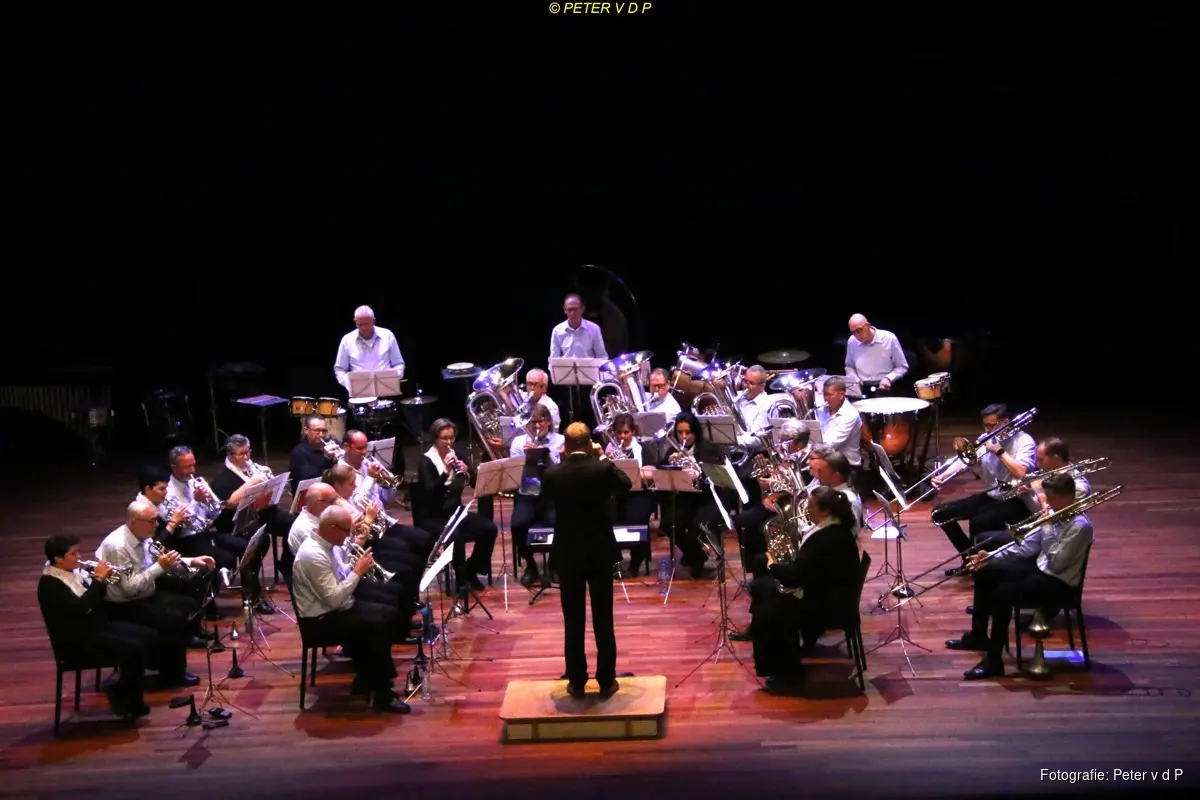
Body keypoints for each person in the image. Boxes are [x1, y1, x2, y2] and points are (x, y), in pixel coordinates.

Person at [946, 473, 1093, 680]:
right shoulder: (1055, 513)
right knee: (986, 571)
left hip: (1059, 583)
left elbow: (1058, 563)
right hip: (1042, 568)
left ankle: (994, 661)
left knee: (1003, 593)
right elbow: (1027, 547)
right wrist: (990, 557)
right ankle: (978, 636)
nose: (1047, 503)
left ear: (1066, 496)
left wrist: (1047, 527)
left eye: (1051, 498)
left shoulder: (1080, 526)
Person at [542, 422, 632, 698]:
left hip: (568, 552)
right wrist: (602, 456)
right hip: (599, 551)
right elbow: (625, 484)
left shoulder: (553, 473)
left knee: (573, 620)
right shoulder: (601, 469)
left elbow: (546, 499)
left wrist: (564, 460)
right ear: (590, 444)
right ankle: (606, 679)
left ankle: (577, 680)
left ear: (566, 446)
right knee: (603, 618)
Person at [292, 505, 410, 713]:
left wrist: (355, 567)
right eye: (346, 530)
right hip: (321, 620)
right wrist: (357, 571)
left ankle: (368, 677)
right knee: (380, 622)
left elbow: (339, 578)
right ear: (331, 528)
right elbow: (334, 600)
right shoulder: (313, 555)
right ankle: (382, 692)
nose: (349, 535)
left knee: (388, 613)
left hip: (335, 608)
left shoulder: (327, 545)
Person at [747, 486, 862, 692]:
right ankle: (781, 662)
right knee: (761, 588)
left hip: (828, 607)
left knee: (770, 612)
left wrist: (773, 564)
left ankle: (788, 675)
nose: (806, 510)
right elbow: (806, 569)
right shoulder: (832, 529)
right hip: (825, 593)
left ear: (826, 511)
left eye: (810, 506)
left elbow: (794, 577)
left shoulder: (826, 537)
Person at [38, 535, 157, 720]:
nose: (78, 557)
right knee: (135, 648)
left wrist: (103, 580)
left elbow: (95, 602)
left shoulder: (73, 573)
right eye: (73, 554)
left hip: (94, 628)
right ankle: (126, 698)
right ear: (58, 559)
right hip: (76, 642)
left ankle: (124, 691)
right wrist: (99, 580)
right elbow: (83, 607)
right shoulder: (50, 584)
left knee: (147, 636)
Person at [930, 403, 1036, 575]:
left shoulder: (1024, 441)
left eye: (991, 425)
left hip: (1015, 500)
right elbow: (966, 461)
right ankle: (970, 559)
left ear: (1005, 422)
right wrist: (944, 476)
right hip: (992, 495)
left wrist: (999, 451)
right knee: (940, 513)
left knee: (979, 521)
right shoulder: (987, 438)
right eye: (985, 425)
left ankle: (980, 566)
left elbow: (1021, 472)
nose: (987, 430)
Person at [411, 418, 499, 595]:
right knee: (455, 536)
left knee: (489, 529)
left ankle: (471, 569)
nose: (449, 442)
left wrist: (468, 471)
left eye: (451, 438)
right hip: (432, 515)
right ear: (435, 439)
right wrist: (446, 471)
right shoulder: (426, 461)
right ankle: (460, 580)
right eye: (444, 438)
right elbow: (430, 492)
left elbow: (476, 485)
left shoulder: (458, 455)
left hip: (454, 511)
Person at [333, 305, 405, 392]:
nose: (364, 328)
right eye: (360, 324)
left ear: (373, 321)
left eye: (366, 324)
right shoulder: (347, 340)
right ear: (355, 322)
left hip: (387, 392)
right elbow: (340, 369)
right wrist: (350, 384)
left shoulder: (387, 335)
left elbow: (398, 364)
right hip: (359, 395)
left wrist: (393, 379)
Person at [844, 313, 909, 397]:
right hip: (863, 389)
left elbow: (902, 366)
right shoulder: (852, 341)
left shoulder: (889, 338)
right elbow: (849, 366)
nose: (857, 335)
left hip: (886, 388)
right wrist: (855, 380)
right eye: (853, 332)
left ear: (868, 325)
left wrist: (888, 378)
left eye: (859, 330)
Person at [550, 293, 608, 360]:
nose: (573, 313)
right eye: (569, 309)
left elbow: (602, 356)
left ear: (582, 309)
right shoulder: (557, 330)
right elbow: (554, 358)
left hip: (589, 366)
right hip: (565, 367)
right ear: (565, 310)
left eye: (575, 309)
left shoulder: (594, 329)